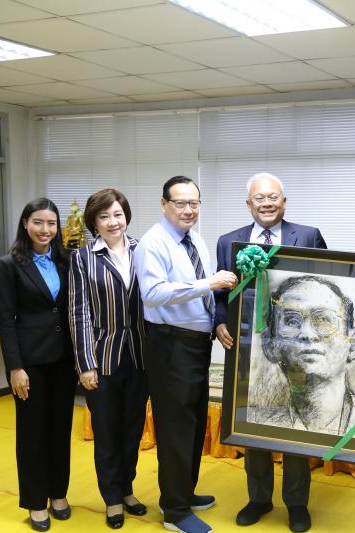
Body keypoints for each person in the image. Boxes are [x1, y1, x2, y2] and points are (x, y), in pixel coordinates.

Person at [215, 172, 326, 532]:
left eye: (273, 197)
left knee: (295, 420)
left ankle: (296, 503)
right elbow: (221, 294)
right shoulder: (228, 242)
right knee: (253, 419)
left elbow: (326, 282)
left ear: (284, 201)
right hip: (247, 347)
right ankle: (259, 498)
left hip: (296, 347)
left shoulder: (307, 236)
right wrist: (219, 323)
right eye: (259, 198)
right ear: (249, 204)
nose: (267, 203)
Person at [133, 176, 237, 533]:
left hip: (195, 344)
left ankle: (183, 493)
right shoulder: (153, 243)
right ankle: (174, 512)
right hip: (169, 344)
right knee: (176, 428)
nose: (188, 210)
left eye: (194, 203)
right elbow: (153, 295)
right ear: (164, 204)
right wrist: (209, 283)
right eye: (180, 203)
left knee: (192, 424)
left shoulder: (195, 239)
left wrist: (216, 321)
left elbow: (201, 294)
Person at [0, 198, 77, 532]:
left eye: (51, 223)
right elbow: (6, 321)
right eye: (38, 222)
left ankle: (58, 493)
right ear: (26, 224)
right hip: (29, 363)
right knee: (32, 434)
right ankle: (35, 501)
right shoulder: (9, 265)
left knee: (60, 430)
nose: (45, 230)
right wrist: (15, 367)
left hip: (64, 360)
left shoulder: (67, 260)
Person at [68, 189, 149, 529]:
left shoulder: (143, 249)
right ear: (93, 222)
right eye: (104, 216)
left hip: (141, 355)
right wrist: (85, 363)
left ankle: (127, 489)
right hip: (103, 358)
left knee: (132, 430)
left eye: (118, 214)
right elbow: (78, 313)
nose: (113, 222)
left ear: (126, 215)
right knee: (106, 432)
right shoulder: (82, 258)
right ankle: (112, 498)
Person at [248, 275, 355, 435]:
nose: (307, 334)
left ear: (353, 344)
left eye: (323, 320)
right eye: (291, 321)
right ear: (270, 345)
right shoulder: (258, 424)